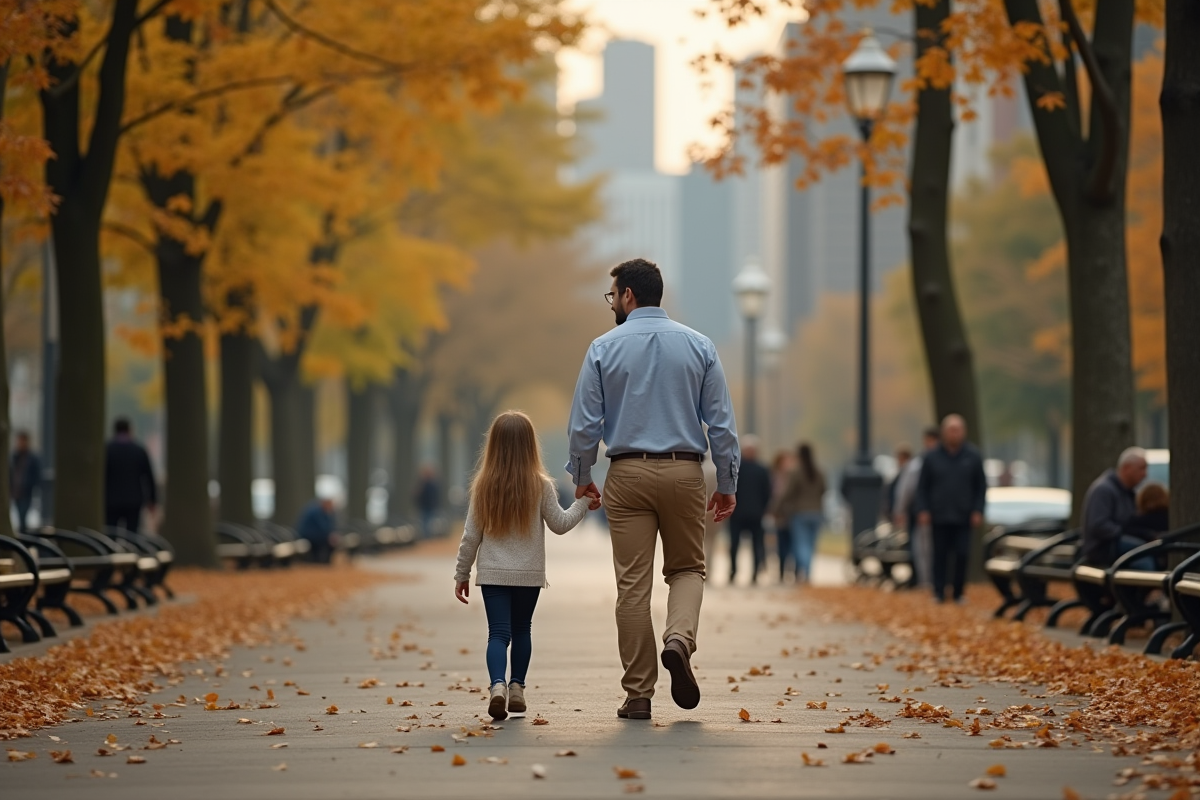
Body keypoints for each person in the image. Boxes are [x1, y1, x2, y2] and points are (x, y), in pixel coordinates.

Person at [567, 258, 738, 721]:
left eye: (613, 295)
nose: (613, 304)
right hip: (685, 472)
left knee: (632, 587)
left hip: (627, 473)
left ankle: (639, 693)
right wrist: (726, 482)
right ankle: (679, 640)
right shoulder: (700, 346)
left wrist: (583, 476)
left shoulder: (603, 348)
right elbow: (720, 424)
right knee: (687, 569)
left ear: (628, 296)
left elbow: (585, 426)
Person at [454, 411, 595, 721]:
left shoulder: (484, 486)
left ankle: (497, 686)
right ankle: (517, 686)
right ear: (531, 445)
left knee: (498, 634)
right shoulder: (541, 485)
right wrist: (584, 502)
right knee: (521, 630)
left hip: (493, 573)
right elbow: (560, 524)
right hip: (529, 575)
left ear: (493, 444)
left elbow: (470, 536)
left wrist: (461, 574)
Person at [914, 415, 987, 604]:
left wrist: (978, 510)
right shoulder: (931, 457)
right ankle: (938, 591)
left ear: (964, 432)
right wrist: (923, 509)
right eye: (951, 430)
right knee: (939, 554)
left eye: (958, 429)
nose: (954, 433)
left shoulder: (973, 456)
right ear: (944, 432)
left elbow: (981, 486)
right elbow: (922, 487)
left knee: (962, 554)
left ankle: (958, 592)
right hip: (939, 515)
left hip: (963, 515)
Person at [1080, 448, 1150, 568]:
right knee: (1144, 552)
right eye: (1141, 468)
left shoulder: (1127, 492)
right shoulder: (1104, 489)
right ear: (1126, 468)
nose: (1145, 474)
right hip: (1103, 547)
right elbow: (1098, 524)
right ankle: (1146, 584)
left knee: (1150, 547)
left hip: (1114, 542)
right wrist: (1123, 531)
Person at [894, 426, 941, 588]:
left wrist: (900, 509)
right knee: (925, 548)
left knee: (925, 548)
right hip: (924, 512)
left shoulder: (917, 464)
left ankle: (928, 580)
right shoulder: (919, 463)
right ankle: (929, 580)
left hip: (928, 511)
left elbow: (906, 490)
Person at [777, 442, 826, 584]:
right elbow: (824, 489)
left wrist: (777, 508)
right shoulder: (819, 471)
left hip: (799, 513)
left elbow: (787, 493)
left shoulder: (796, 472)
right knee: (811, 544)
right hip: (816, 512)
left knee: (800, 544)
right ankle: (807, 572)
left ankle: (804, 571)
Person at [728, 436, 771, 585]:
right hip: (755, 513)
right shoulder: (762, 469)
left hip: (738, 512)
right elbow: (767, 492)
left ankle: (734, 571)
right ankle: (752, 573)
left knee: (735, 544)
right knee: (755, 545)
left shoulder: (736, 468)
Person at [105, 418, 157, 532]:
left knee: (110, 532)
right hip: (133, 500)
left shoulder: (107, 450)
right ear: (130, 430)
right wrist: (152, 501)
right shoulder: (139, 450)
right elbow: (149, 476)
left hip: (111, 500)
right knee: (132, 534)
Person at [768, 449, 798, 582]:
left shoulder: (795, 476)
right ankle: (781, 571)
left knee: (794, 544)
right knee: (781, 544)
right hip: (780, 514)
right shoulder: (774, 476)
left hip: (793, 513)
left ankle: (795, 570)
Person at [10, 431, 42, 534]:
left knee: (23, 516)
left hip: (26, 492)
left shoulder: (32, 458)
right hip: (15, 492)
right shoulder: (14, 457)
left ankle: (23, 538)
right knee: (18, 516)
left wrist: (30, 485)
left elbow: (36, 474)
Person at [296, 497, 338, 564]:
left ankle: (325, 562)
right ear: (325, 503)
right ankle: (320, 563)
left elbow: (330, 526)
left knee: (332, 542)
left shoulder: (326, 512)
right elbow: (323, 527)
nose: (332, 507)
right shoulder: (315, 511)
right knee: (329, 542)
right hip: (308, 536)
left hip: (317, 536)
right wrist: (330, 536)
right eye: (330, 505)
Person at [414, 466, 440, 539]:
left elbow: (435, 496)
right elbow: (417, 495)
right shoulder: (422, 484)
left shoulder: (433, 484)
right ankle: (426, 536)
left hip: (430, 506)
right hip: (424, 506)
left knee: (428, 522)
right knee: (424, 522)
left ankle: (428, 536)